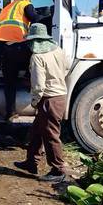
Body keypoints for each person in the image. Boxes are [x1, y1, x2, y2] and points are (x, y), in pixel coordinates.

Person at [14, 23, 69, 182]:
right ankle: (31, 162)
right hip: (60, 96)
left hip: (48, 99)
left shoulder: (37, 57)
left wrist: (34, 102)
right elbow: (66, 68)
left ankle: (58, 170)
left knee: (51, 135)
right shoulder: (58, 50)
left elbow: (38, 85)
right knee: (37, 131)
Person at [0, 0, 42, 120]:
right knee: (36, 59)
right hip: (17, 46)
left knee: (10, 82)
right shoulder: (26, 4)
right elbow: (36, 19)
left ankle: (11, 112)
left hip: (1, 48)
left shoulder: (6, 9)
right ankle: (28, 79)